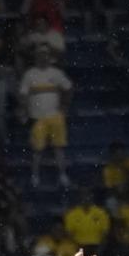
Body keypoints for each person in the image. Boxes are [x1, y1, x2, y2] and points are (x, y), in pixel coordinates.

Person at [19, 48, 74, 189]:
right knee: (37, 150)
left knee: (58, 148)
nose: (43, 57)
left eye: (45, 55)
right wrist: (24, 111)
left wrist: (65, 106)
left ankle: (63, 175)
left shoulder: (56, 73)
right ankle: (35, 175)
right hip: (37, 118)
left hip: (56, 116)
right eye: (40, 55)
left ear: (49, 57)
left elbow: (69, 88)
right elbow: (23, 95)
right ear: (36, 57)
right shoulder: (29, 74)